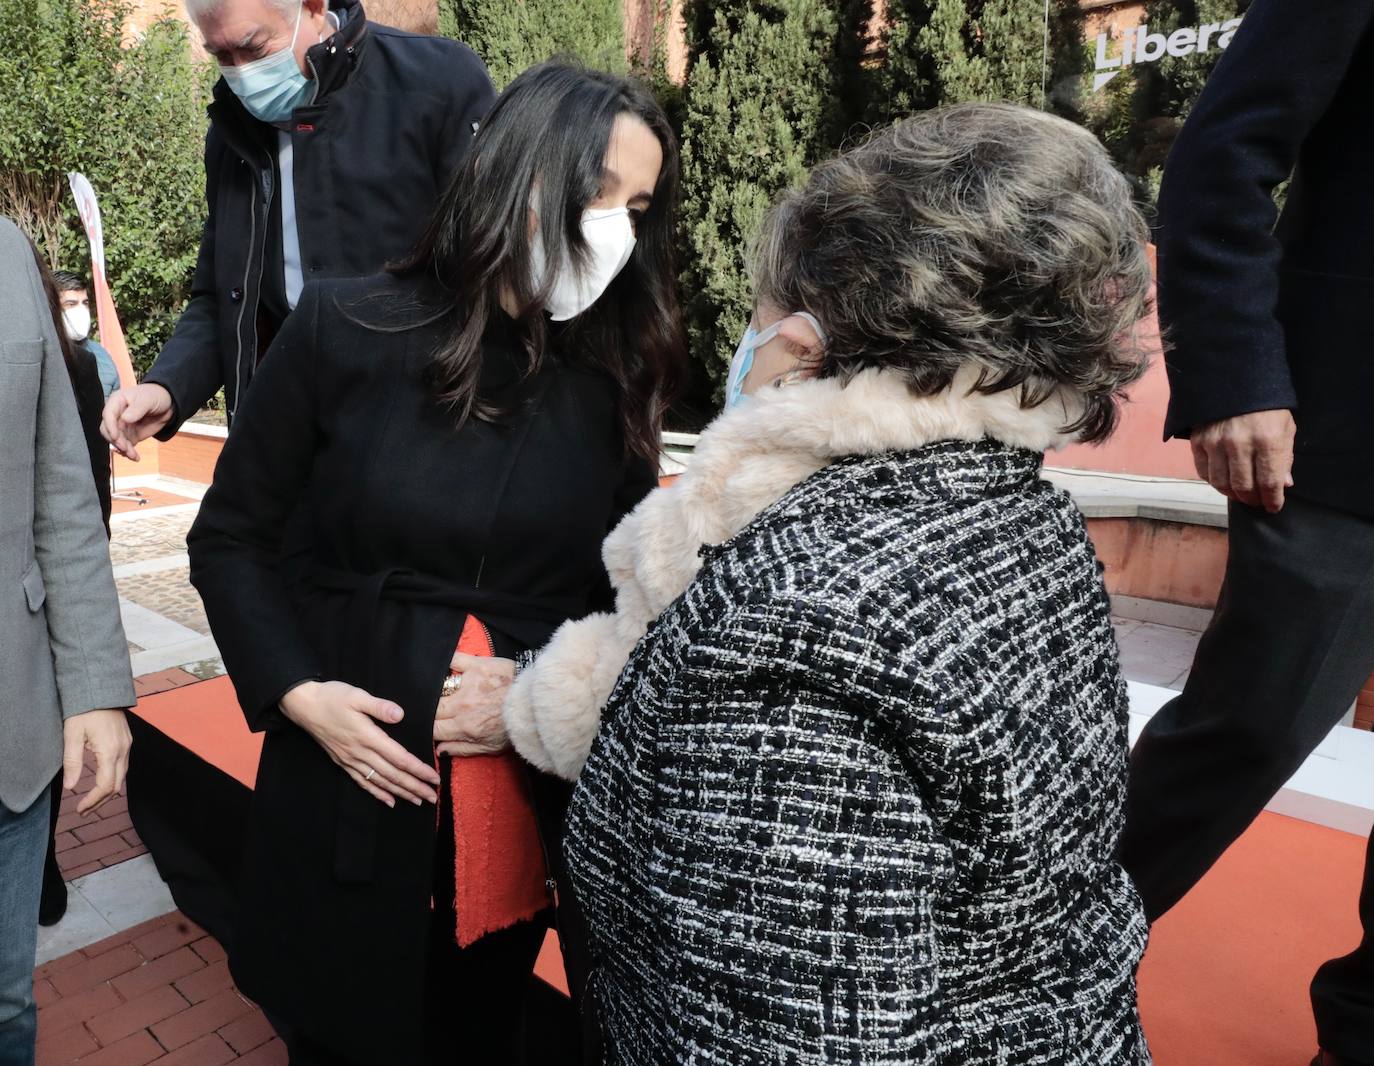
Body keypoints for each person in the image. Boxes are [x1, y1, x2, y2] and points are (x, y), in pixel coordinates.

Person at [506, 103, 1155, 1064]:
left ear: (805, 345)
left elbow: (784, 1033)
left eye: (758, 314)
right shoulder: (1025, 518)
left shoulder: (788, 620)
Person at [186, 63, 684, 1065]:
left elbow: (632, 601)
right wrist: (293, 691)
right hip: (342, 789)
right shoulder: (343, 326)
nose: (617, 230)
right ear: (520, 175)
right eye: (598, 196)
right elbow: (230, 534)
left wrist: (545, 682)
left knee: (476, 1031)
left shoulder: (613, 379)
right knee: (334, 1033)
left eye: (638, 207)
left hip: (512, 804)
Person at [1118, 3, 1374, 1064]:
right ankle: (1009, 959)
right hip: (1345, 437)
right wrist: (1233, 377)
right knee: (1246, 730)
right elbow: (1224, 154)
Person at [101, 0, 495, 460]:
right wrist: (167, 386)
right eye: (221, 56)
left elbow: (487, 277)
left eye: (254, 47)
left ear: (312, 7)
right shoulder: (231, 133)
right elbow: (222, 297)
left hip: (418, 445)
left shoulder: (437, 82)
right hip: (286, 447)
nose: (242, 73)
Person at [0, 217, 135, 1066]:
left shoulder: (9, 251)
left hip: (12, 731)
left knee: (7, 1007)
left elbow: (62, 489)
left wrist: (93, 685)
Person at [30, 251, 121, 931]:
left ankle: (40, 863)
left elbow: (83, 481)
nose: (74, 311)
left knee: (47, 719)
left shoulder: (86, 367)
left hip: (57, 564)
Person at [53, 271, 119, 402]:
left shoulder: (101, 356)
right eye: (71, 304)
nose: (81, 310)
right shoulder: (41, 355)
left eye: (85, 303)